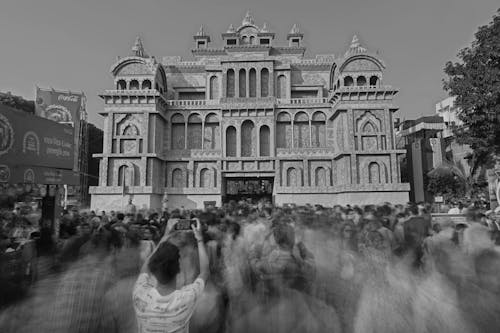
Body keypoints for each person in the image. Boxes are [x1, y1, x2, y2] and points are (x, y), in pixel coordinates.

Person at [133, 218, 209, 333]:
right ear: (178, 270)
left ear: (153, 268)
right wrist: (199, 239)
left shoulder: (139, 294)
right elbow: (205, 271)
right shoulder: (186, 298)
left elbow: (145, 269)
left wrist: (165, 236)